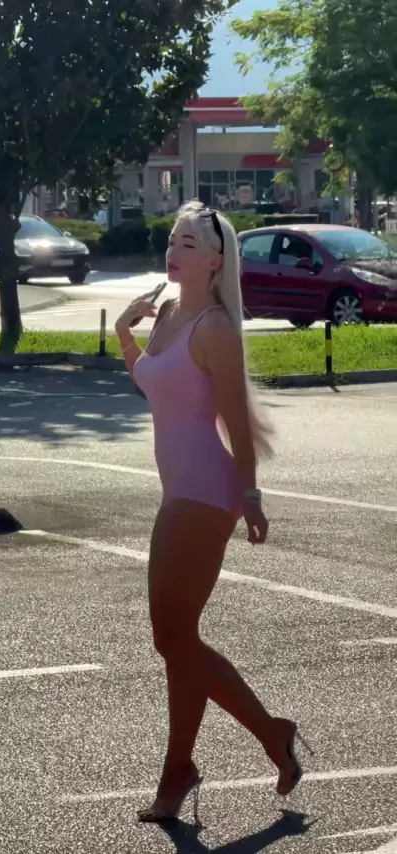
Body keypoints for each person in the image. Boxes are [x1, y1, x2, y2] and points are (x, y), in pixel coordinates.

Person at [115, 200, 312, 825]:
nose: (174, 251)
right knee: (174, 641)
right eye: (173, 240)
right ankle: (263, 736)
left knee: (173, 638)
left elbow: (236, 422)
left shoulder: (216, 329)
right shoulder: (170, 314)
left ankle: (190, 766)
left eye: (189, 244)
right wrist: (125, 334)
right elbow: (154, 385)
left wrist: (250, 495)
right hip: (176, 490)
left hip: (206, 490)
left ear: (215, 261)